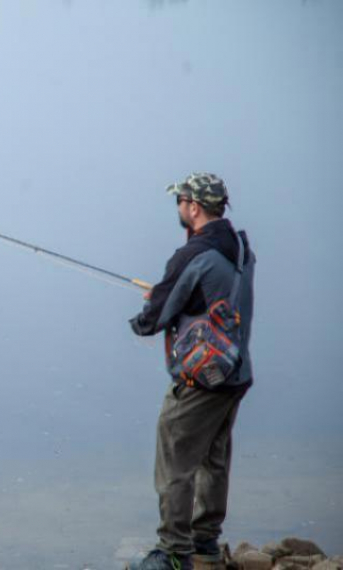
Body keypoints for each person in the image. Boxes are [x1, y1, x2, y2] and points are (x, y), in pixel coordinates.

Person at [127, 173, 256, 570]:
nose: (179, 209)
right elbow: (207, 297)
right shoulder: (240, 247)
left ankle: (173, 553)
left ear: (193, 207)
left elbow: (151, 320)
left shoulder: (192, 255)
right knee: (214, 459)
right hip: (235, 373)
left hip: (199, 381)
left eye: (180, 202)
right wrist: (172, 295)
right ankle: (205, 544)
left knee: (175, 462)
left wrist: (147, 312)